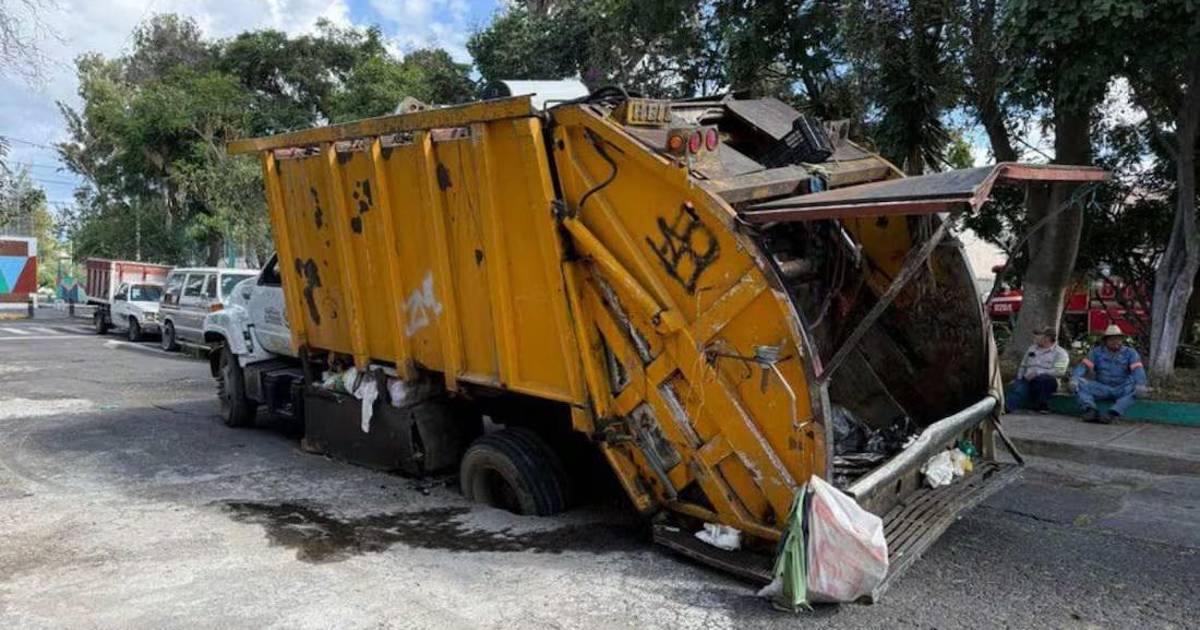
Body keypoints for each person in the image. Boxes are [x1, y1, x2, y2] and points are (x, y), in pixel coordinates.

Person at [1070, 324, 1148, 424]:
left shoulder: (1131, 353)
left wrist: (1140, 384)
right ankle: (1090, 410)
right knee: (1079, 384)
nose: (1116, 342)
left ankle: (1113, 413)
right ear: (1106, 341)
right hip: (1102, 387)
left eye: (1118, 339)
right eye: (1112, 339)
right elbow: (1083, 366)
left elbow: (1138, 369)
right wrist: (1074, 379)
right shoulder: (1096, 352)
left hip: (1122, 388)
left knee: (1135, 387)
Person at [1005, 326, 1069, 413]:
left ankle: (1042, 405)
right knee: (1019, 387)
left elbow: (1060, 371)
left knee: (1043, 380)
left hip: (1047, 380)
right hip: (1028, 378)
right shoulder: (1032, 349)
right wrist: (1020, 378)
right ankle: (1006, 407)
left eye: (1038, 335)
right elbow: (1023, 366)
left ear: (1047, 338)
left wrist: (1038, 373)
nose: (1034, 338)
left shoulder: (1061, 353)